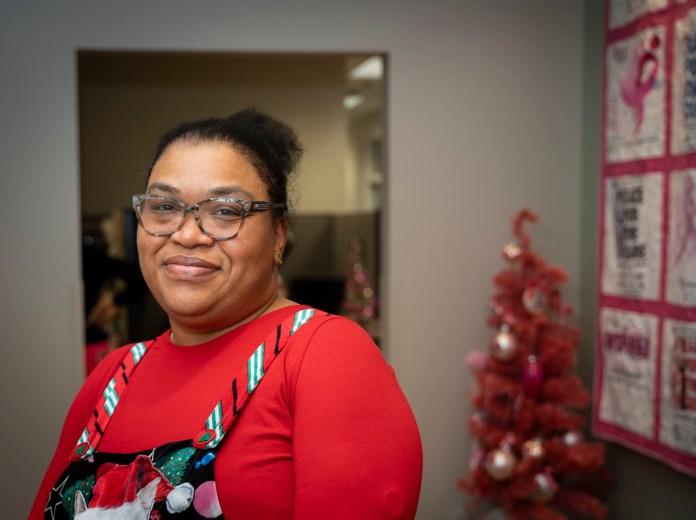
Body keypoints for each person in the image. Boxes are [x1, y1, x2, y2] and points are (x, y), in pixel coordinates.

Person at [31, 108, 423, 519]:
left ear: (279, 235)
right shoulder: (112, 375)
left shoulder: (323, 354)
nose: (185, 234)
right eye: (164, 206)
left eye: (225, 211)